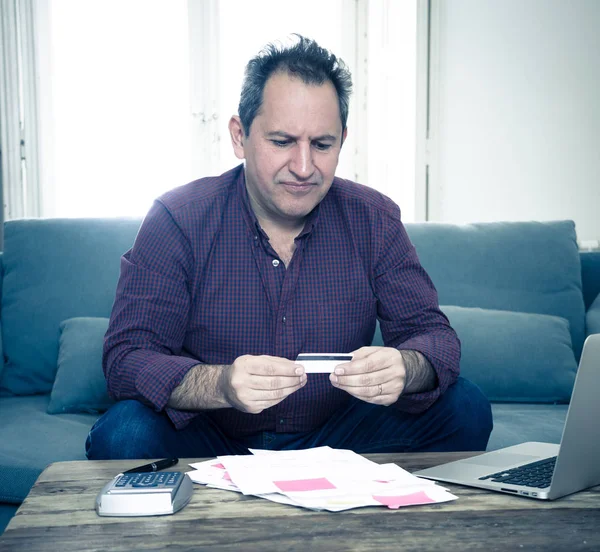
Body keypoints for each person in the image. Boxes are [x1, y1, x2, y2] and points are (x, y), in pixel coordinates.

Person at [86, 36, 492, 460]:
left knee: (465, 408)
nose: (303, 168)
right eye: (282, 142)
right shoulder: (178, 218)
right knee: (124, 433)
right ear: (240, 136)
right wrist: (221, 384)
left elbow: (435, 337)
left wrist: (408, 367)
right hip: (212, 436)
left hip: (338, 434)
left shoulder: (374, 218)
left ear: (342, 140)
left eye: (322, 144)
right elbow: (126, 358)